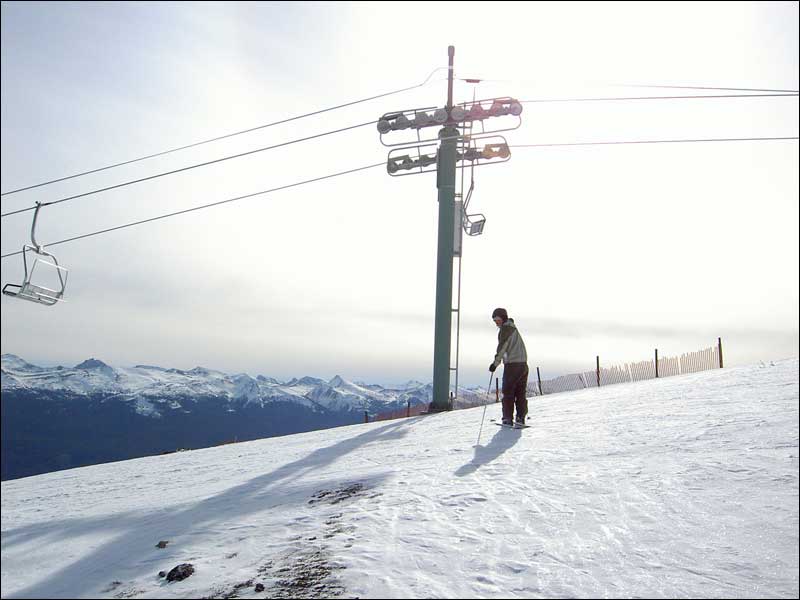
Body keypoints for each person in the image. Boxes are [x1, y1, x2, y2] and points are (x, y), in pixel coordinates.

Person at [489, 307, 529, 426]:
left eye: (497, 319)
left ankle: (507, 418)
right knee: (520, 392)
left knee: (508, 392)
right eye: (494, 320)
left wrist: (495, 364)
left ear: (503, 318)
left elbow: (502, 348)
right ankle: (520, 418)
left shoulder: (505, 330)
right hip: (523, 365)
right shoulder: (513, 328)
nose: (496, 322)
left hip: (512, 365)